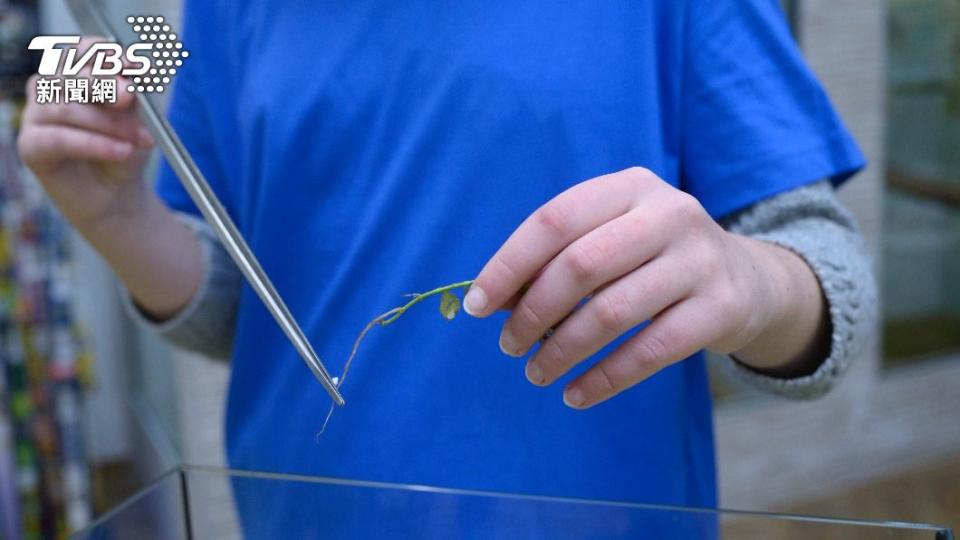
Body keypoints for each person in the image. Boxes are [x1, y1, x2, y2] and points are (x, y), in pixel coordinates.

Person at [18, 0, 875, 536]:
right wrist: (120, 217)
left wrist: (747, 281)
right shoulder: (226, 9)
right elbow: (244, 311)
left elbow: (825, 265)